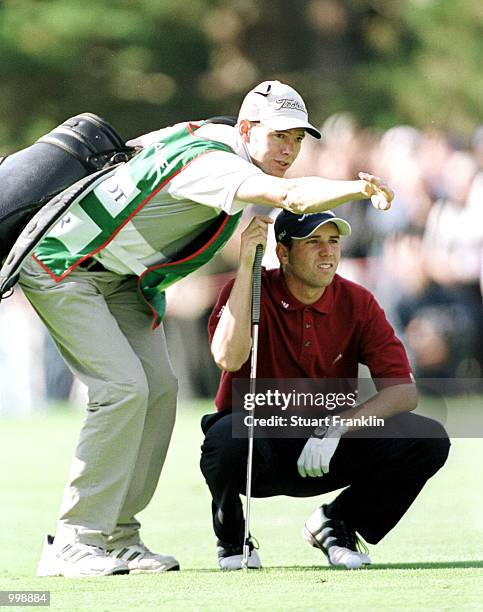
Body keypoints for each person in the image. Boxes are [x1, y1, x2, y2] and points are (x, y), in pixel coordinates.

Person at [17, 79, 394, 577]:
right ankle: (73, 540)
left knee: (159, 390)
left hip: (121, 277)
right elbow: (292, 197)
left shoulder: (213, 137)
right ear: (246, 129)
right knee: (124, 388)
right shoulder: (216, 163)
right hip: (64, 264)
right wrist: (361, 188)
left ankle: (119, 536)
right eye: (278, 135)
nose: (288, 149)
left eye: (297, 139)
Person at [200, 210, 450, 570]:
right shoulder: (249, 291)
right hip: (260, 449)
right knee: (224, 438)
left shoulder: (357, 301)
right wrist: (245, 271)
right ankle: (233, 539)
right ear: (283, 253)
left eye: (333, 242)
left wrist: (339, 426)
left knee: (428, 438)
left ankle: (338, 523)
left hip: (326, 446)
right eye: (313, 242)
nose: (327, 252)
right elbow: (228, 356)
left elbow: (402, 392)